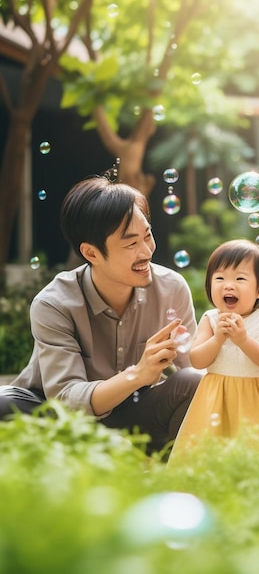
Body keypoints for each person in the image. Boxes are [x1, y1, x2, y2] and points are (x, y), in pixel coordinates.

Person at [0, 176, 202, 454]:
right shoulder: (54, 303)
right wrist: (139, 374)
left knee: (193, 382)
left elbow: (196, 365)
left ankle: (164, 471)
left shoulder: (171, 288)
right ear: (91, 253)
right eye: (131, 244)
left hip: (131, 415)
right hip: (61, 423)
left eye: (148, 235)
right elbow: (66, 401)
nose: (146, 251)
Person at [170, 239, 259, 458]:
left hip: (258, 398)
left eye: (240, 278)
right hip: (217, 399)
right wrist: (218, 338)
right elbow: (197, 360)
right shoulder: (211, 319)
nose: (228, 285)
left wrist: (243, 340)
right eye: (219, 278)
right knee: (214, 457)